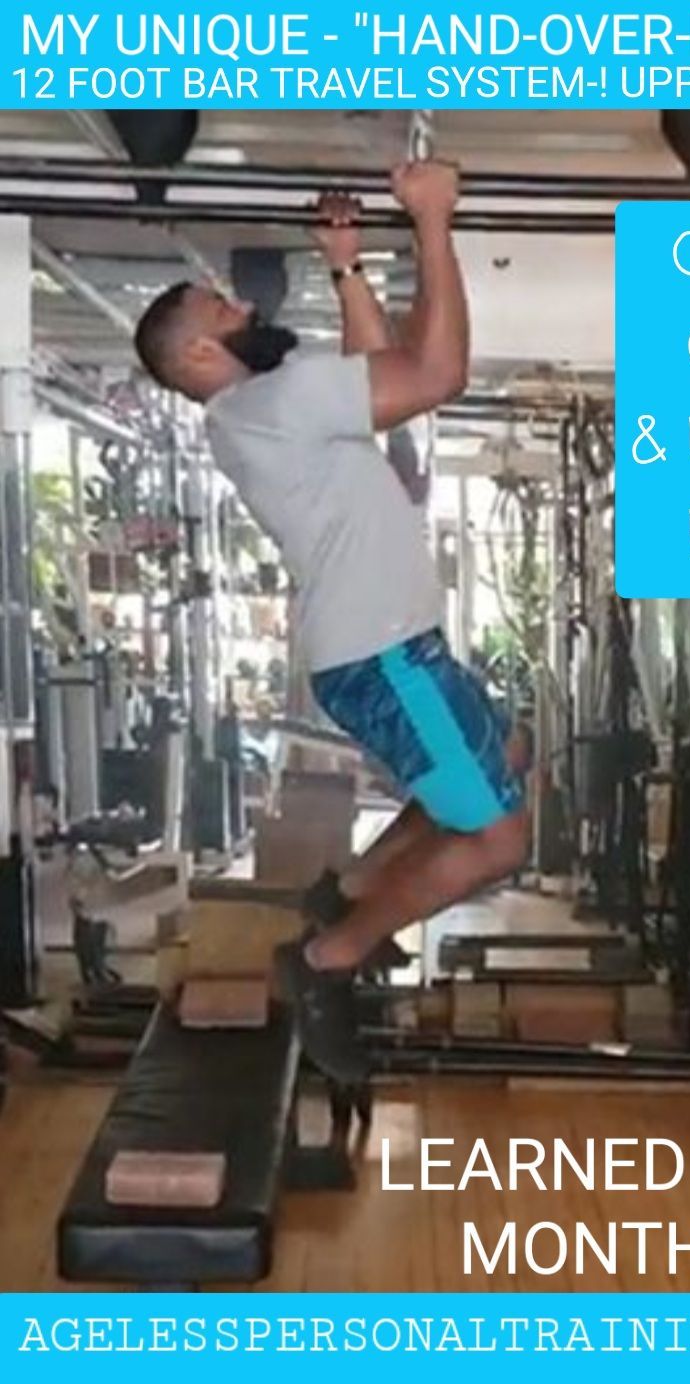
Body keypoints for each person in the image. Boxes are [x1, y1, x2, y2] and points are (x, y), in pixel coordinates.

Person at [132, 161, 529, 1081]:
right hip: (384, 653)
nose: (237, 304)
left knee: (508, 756)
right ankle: (327, 961)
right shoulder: (266, 405)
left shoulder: (271, 403)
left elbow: (373, 365)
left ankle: (341, 893)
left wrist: (350, 269)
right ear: (197, 357)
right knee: (500, 840)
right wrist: (432, 221)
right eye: (218, 307)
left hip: (390, 645)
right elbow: (439, 372)